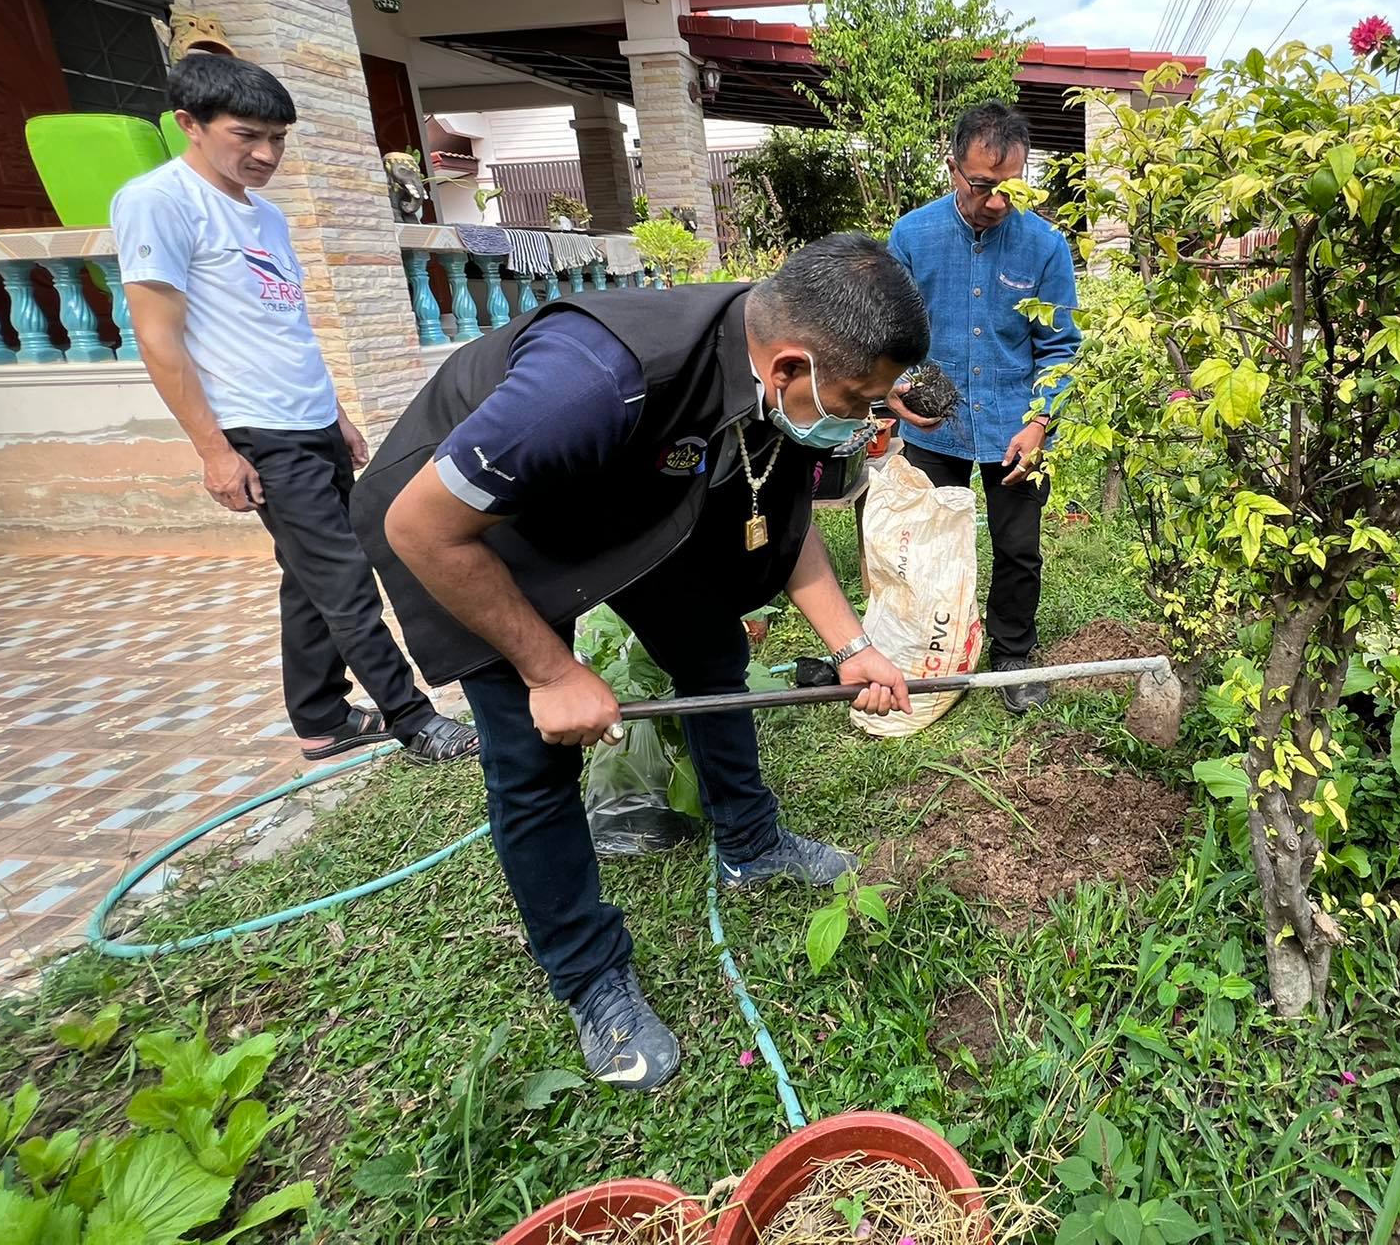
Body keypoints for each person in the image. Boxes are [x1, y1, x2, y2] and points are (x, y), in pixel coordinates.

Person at [351, 234, 923, 1090]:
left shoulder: (775, 377)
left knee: (713, 653)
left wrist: (852, 646)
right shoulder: (592, 379)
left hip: (627, 500)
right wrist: (551, 671)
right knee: (533, 756)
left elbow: (782, 514)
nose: (868, 418)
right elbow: (421, 527)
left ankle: (750, 842)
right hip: (481, 531)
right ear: (792, 367)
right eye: (859, 398)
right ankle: (587, 974)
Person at [112, 53, 474, 765]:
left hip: (307, 418)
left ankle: (320, 717)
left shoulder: (266, 216)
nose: (266, 153)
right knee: (344, 577)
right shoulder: (160, 201)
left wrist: (334, 411)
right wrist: (215, 450)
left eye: (277, 138)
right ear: (190, 124)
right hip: (255, 426)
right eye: (247, 135)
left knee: (310, 577)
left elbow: (287, 325)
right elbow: (159, 338)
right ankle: (413, 720)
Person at [886, 101, 1082, 712]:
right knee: (925, 542)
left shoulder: (1045, 246)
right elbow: (888, 332)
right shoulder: (912, 237)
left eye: (1012, 188)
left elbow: (1060, 345)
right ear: (951, 168)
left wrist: (1040, 421)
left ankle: (1013, 652)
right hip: (932, 419)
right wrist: (892, 393)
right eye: (983, 186)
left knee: (1017, 545)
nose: (998, 202)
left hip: (1013, 426)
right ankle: (931, 648)